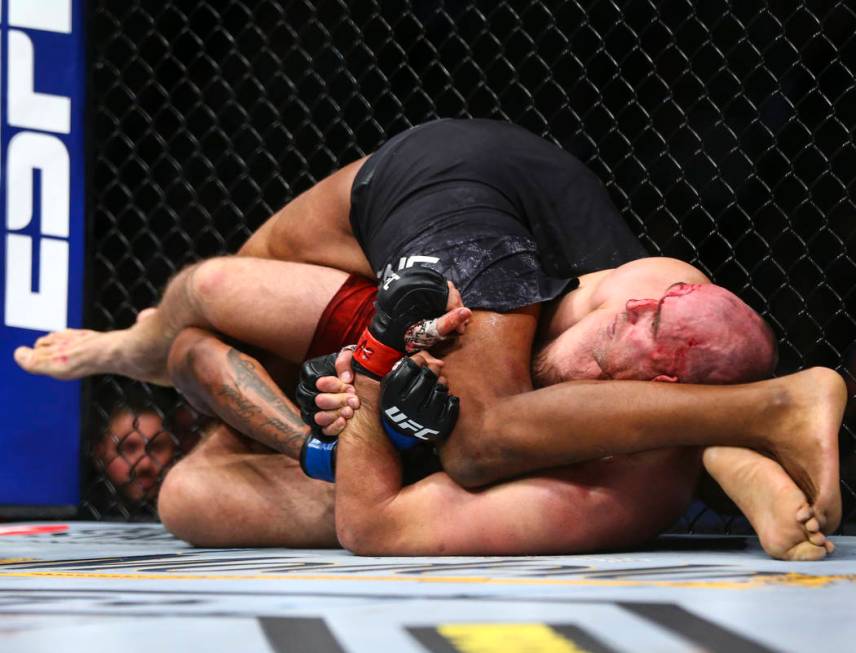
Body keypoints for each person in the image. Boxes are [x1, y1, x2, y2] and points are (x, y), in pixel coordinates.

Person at [14, 120, 844, 558]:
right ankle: (739, 434)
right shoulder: (248, 360)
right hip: (441, 217)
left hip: (454, 216)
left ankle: (756, 418)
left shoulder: (631, 297)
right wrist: (338, 421)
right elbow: (203, 341)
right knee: (200, 332)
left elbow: (208, 303)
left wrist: (374, 361)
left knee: (213, 314)